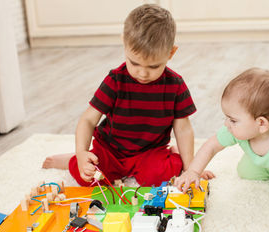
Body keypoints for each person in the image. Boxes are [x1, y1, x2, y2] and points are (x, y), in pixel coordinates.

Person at [42, 4, 213, 187]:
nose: (143, 73)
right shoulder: (115, 80)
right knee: (88, 176)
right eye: (134, 63)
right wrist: (82, 153)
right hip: (111, 150)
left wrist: (191, 168)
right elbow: (88, 120)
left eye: (153, 66)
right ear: (124, 43)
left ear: (171, 53)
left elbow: (183, 129)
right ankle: (73, 158)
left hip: (150, 152)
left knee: (159, 178)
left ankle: (175, 153)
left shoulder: (175, 85)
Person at [175, 68, 269, 223]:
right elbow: (211, 146)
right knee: (245, 171)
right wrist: (193, 171)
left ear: (261, 123)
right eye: (226, 118)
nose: (226, 124)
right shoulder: (238, 129)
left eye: (232, 120)